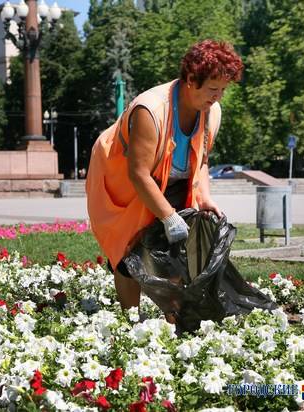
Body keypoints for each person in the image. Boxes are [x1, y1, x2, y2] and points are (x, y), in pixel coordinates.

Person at [86, 40, 244, 314]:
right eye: (213, 88)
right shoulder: (151, 111)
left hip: (169, 177)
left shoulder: (211, 112)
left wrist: (204, 197)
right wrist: (168, 217)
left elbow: (202, 158)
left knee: (176, 251)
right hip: (123, 179)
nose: (218, 96)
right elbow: (138, 174)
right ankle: (130, 320)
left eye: (223, 90)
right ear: (191, 79)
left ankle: (173, 320)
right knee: (128, 253)